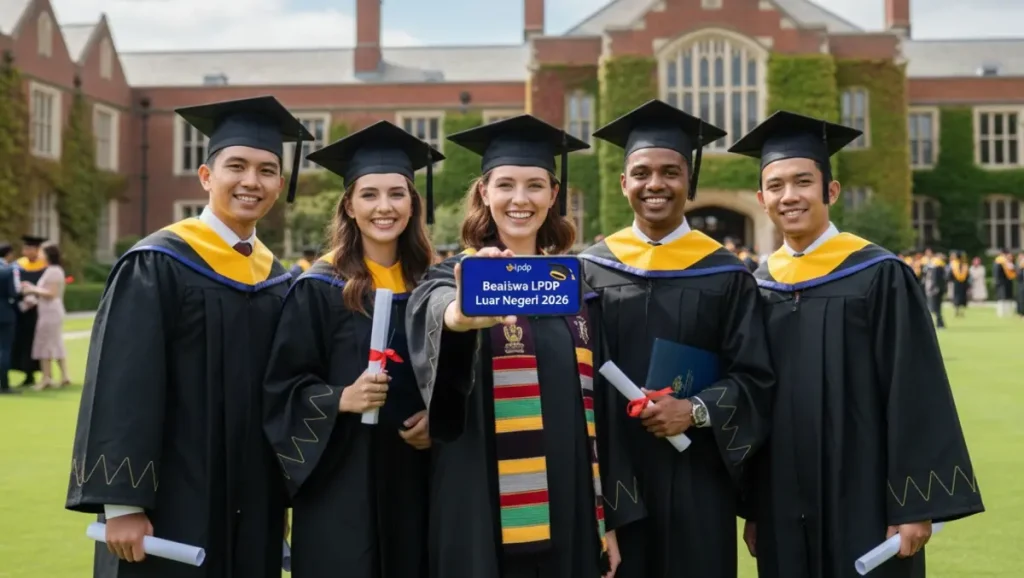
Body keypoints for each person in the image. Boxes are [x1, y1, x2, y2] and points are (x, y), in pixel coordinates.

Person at [65, 95, 315, 578]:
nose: (251, 181)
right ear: (206, 177)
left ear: (280, 185)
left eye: (266, 171)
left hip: (253, 499)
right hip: (171, 497)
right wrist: (121, 505)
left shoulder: (276, 278)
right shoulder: (157, 263)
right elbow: (122, 383)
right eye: (236, 166)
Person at [729, 110, 985, 578]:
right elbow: (753, 400)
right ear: (761, 199)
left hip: (866, 497)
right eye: (777, 185)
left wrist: (913, 504)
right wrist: (754, 506)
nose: (790, 196)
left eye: (803, 181)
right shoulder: (759, 286)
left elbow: (915, 390)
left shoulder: (878, 275)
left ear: (831, 191)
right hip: (782, 500)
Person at [406, 114, 643, 578]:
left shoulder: (578, 290)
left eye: (535, 185)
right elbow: (438, 315)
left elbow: (604, 412)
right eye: (506, 185)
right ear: (484, 193)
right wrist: (464, 314)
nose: (520, 199)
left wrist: (608, 521)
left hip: (569, 501)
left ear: (553, 195)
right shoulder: (452, 277)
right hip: (478, 500)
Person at [580, 99, 776, 578]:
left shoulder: (728, 275)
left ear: (690, 182)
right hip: (611, 476)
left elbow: (757, 377)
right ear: (623, 182)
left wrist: (695, 410)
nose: (655, 184)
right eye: (642, 172)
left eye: (671, 172)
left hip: (698, 476)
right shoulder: (587, 270)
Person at [262, 120, 442, 578]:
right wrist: (340, 398)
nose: (385, 207)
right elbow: (280, 388)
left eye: (397, 194)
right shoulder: (319, 289)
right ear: (349, 205)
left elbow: (462, 376)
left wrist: (441, 420)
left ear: (413, 203)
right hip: (340, 485)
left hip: (418, 483)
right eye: (370, 194)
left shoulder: (434, 287)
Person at [21, 243, 69, 388]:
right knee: (54, 342)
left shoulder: (53, 271)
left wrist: (31, 289)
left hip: (50, 310)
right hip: (49, 309)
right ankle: (64, 376)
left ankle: (46, 377)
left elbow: (51, 293)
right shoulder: (53, 270)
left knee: (44, 342)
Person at [12, 234, 46, 387]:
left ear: (37, 250)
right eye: (25, 248)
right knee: (22, 342)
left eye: (30, 248)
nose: (26, 251)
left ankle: (40, 373)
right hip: (21, 311)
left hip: (39, 311)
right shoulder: (18, 265)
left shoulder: (45, 266)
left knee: (36, 342)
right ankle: (26, 373)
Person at [0, 241, 20, 395]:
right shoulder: (7, 271)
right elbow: (13, 293)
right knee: (4, 349)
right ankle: (4, 385)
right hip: (5, 313)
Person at [924, 250, 947, 328]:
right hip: (936, 288)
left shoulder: (935, 265)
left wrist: (935, 287)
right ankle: (939, 323)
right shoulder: (938, 265)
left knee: (934, 307)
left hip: (933, 289)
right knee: (936, 307)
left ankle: (938, 323)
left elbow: (934, 279)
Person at [993, 248, 1017, 318]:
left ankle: (1003, 313)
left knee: (1003, 297)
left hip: (1002, 282)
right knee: (1003, 297)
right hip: (1003, 282)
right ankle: (1003, 313)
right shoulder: (1001, 261)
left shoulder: (998, 261)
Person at [948, 251, 970, 317]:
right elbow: (968, 275)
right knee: (961, 297)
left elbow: (950, 275)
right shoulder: (964, 265)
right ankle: (960, 312)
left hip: (957, 283)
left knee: (958, 297)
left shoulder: (954, 265)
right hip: (962, 284)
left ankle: (957, 312)